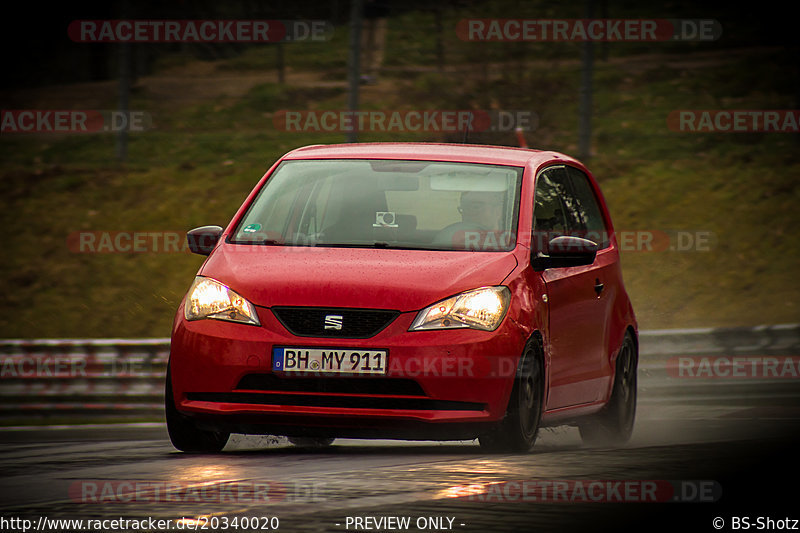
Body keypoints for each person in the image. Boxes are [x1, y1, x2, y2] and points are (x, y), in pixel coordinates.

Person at [433, 191, 505, 248]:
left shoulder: (508, 243)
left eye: (476, 207)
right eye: (464, 209)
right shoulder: (447, 239)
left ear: (498, 210)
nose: (468, 213)